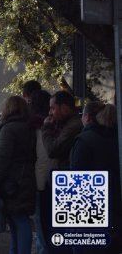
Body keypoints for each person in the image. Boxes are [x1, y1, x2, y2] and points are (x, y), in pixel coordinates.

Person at [70, 103, 122, 254]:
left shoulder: (84, 141)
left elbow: (77, 184)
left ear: (86, 117)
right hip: (115, 212)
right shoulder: (116, 138)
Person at [0, 96, 36, 254]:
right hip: (25, 178)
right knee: (17, 219)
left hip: (13, 181)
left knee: (18, 220)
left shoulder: (9, 129)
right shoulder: (28, 127)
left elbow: (2, 158)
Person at [30, 89, 57, 254]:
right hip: (54, 178)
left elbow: (42, 158)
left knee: (42, 223)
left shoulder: (39, 125)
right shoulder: (55, 123)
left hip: (45, 181)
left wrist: (39, 184)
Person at [41, 90, 83, 169]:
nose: (50, 113)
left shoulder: (73, 127)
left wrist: (46, 127)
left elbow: (52, 150)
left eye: (53, 108)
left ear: (64, 108)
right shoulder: (64, 123)